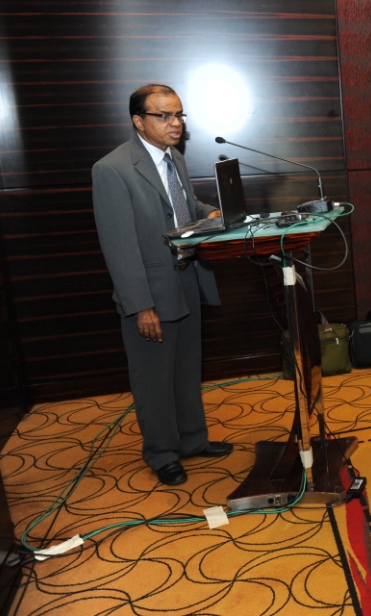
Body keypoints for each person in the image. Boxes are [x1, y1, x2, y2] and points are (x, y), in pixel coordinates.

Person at [92, 84, 233, 486]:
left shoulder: (174, 157)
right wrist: (140, 305)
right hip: (150, 290)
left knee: (187, 369)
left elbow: (182, 208)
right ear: (139, 121)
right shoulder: (112, 169)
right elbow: (119, 246)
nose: (176, 124)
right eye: (164, 116)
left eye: (179, 115)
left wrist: (211, 212)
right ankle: (162, 453)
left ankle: (192, 440)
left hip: (187, 278)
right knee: (154, 378)